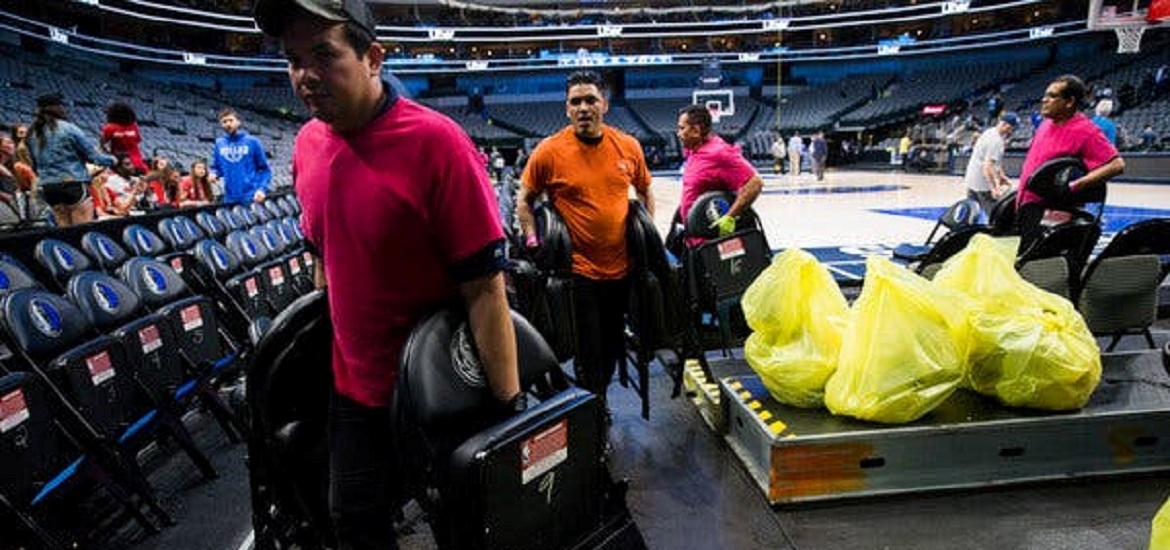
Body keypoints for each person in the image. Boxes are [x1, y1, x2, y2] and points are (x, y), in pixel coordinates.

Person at [252, 1, 522, 548]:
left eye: (323, 55)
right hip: (354, 390)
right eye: (293, 59)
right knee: (353, 526)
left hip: (442, 388)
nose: (305, 75)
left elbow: (486, 289)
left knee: (471, 529)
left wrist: (507, 410)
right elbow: (323, 256)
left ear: (373, 57)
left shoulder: (438, 145)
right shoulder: (307, 146)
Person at [516, 69, 653, 412]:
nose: (583, 107)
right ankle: (594, 413)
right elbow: (524, 200)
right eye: (575, 101)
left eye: (590, 99)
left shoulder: (628, 146)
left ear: (604, 104)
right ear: (566, 109)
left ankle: (595, 398)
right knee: (589, 348)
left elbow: (645, 188)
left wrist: (648, 230)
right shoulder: (549, 151)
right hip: (578, 272)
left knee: (611, 345)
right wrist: (533, 239)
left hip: (622, 269)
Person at [1015, 75, 1124, 252]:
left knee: (1041, 263)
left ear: (1069, 101)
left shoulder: (1086, 130)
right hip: (1027, 206)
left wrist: (1076, 185)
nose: (1044, 100)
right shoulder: (1045, 123)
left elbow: (1117, 165)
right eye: (1045, 95)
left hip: (1051, 212)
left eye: (1052, 96)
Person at [676, 104, 762, 245]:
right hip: (693, 240)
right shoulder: (693, 150)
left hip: (711, 244)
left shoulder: (720, 153)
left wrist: (730, 217)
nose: (678, 134)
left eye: (681, 128)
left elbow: (755, 184)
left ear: (696, 130)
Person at [25, 93, 115, 227]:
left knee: (64, 231)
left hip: (49, 187)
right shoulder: (69, 128)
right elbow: (95, 158)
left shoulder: (31, 133)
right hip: (72, 184)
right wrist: (113, 160)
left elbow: (34, 165)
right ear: (58, 108)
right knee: (81, 231)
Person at [211, 107, 272, 205]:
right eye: (224, 122)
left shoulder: (253, 142)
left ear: (238, 122)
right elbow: (217, 168)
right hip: (229, 197)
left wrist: (261, 189)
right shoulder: (219, 143)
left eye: (231, 120)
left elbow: (265, 170)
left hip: (251, 196)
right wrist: (214, 174)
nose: (228, 124)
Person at [962, 112, 1018, 216]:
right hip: (983, 184)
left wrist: (1002, 176)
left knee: (971, 213)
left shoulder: (989, 132)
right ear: (1005, 125)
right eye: (1012, 128)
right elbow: (988, 167)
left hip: (971, 180)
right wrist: (994, 188)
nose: (1012, 131)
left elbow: (995, 163)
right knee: (995, 215)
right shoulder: (996, 141)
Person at [101, 101, 149, 174]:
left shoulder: (109, 128)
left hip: (120, 164)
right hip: (138, 164)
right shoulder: (133, 126)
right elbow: (137, 140)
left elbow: (102, 144)